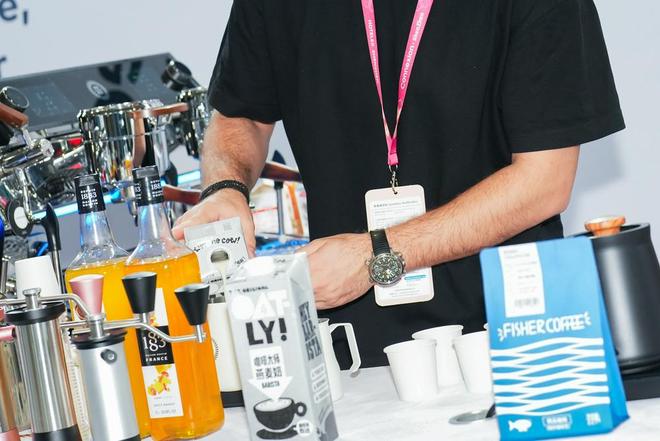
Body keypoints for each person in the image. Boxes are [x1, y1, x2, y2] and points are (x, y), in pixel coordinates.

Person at [172, 0, 624, 368]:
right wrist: (225, 187)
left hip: (514, 330)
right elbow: (242, 114)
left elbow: (545, 180)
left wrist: (377, 254)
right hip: (349, 345)